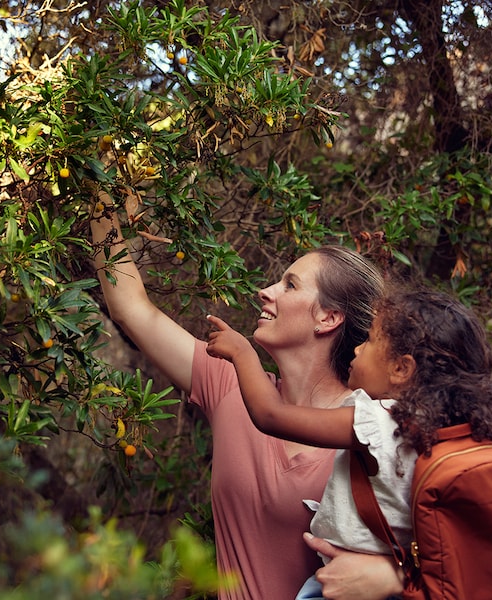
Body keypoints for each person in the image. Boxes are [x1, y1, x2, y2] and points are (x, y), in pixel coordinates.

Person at [89, 193, 404, 600]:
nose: (265, 291)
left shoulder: (368, 430)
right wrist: (96, 190)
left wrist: (392, 576)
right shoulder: (229, 383)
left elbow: (437, 555)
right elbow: (131, 307)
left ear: (328, 317)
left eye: (289, 285)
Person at [205, 287, 492, 599]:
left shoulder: (382, 422)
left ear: (401, 369)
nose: (357, 349)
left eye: (369, 340)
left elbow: (270, 416)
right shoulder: (437, 431)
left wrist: (242, 353)